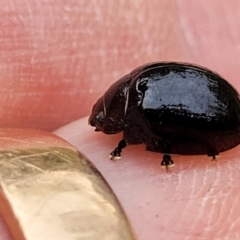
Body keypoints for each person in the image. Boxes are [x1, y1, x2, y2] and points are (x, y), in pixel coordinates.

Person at [1, 1, 240, 239]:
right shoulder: (137, 85)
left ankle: (185, 150)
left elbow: (148, 132)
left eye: (104, 119)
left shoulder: (139, 97)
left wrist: (124, 145)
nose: (102, 126)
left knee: (156, 126)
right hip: (224, 107)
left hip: (224, 116)